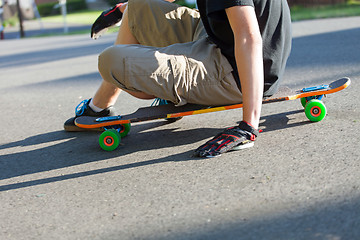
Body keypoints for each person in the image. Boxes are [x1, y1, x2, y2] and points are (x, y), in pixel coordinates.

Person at [64, 0, 292, 157]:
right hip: (217, 41)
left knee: (110, 61)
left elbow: (248, 38)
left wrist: (248, 126)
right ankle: (99, 108)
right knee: (138, 6)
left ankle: (174, 91)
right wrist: (122, 10)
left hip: (236, 72)